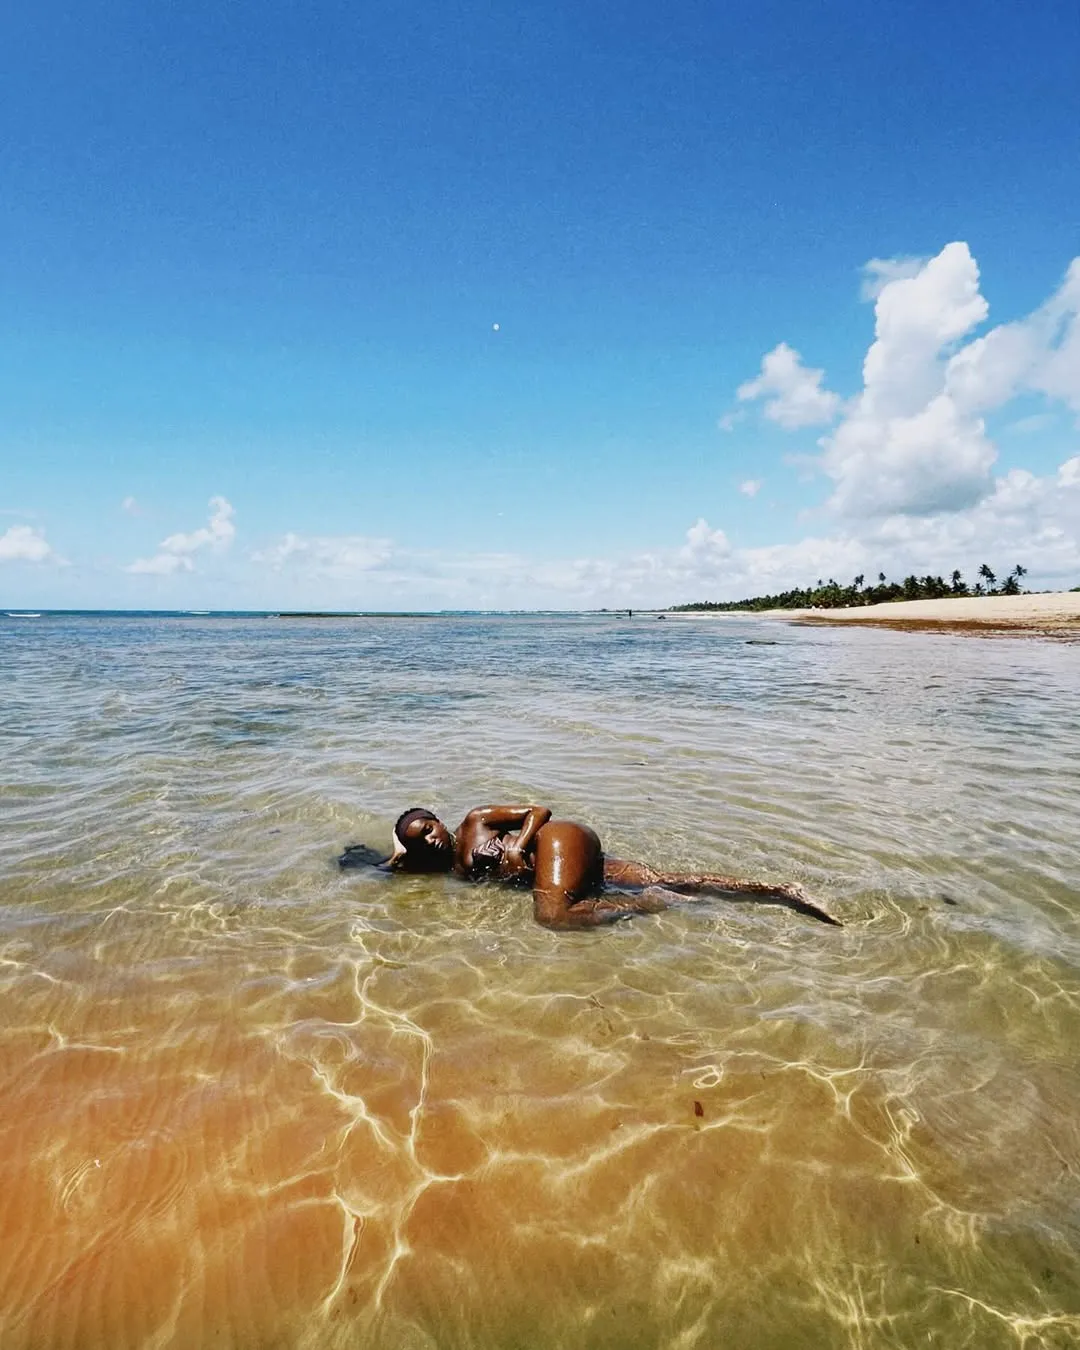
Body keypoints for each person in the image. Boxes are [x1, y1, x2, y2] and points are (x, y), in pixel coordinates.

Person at [350, 803, 840, 930]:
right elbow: (385, 869)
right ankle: (781, 890)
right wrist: (387, 856)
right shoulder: (442, 868)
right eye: (419, 840)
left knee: (555, 916)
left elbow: (537, 810)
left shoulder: (475, 822)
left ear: (438, 818)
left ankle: (653, 906)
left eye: (429, 827)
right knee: (669, 874)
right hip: (567, 866)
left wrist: (518, 847)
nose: (431, 838)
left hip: (555, 839)